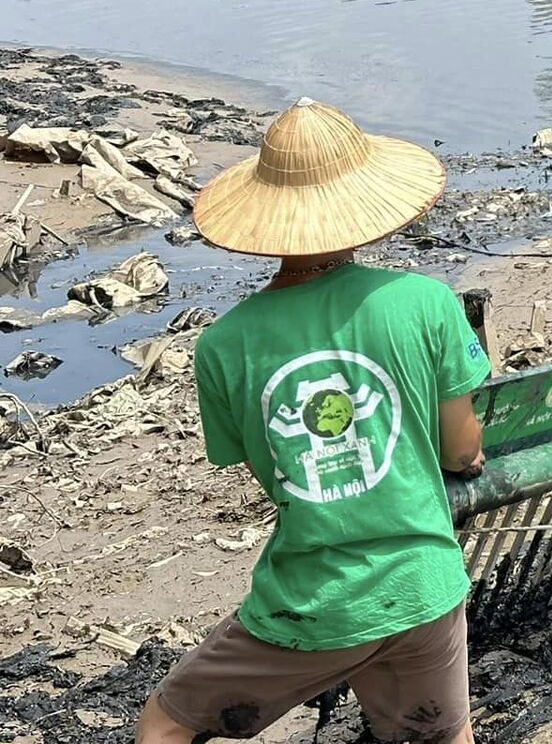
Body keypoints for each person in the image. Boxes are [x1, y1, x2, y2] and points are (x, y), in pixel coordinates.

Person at [137, 99, 488, 744]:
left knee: (165, 722)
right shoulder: (425, 300)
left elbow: (271, 470)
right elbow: (462, 449)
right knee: (442, 733)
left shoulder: (222, 344)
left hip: (311, 602)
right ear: (363, 202)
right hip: (424, 584)